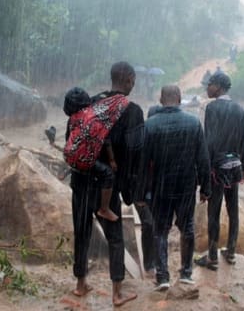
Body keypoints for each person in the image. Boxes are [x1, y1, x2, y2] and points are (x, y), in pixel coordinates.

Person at [70, 61, 142, 307]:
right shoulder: (132, 110)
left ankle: (80, 285)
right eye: (133, 80)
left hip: (81, 178)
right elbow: (134, 153)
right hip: (106, 187)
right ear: (129, 79)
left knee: (81, 233)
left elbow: (77, 133)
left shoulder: (92, 101)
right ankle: (116, 293)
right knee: (115, 238)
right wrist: (132, 190)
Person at [142, 85, 211, 290]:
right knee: (187, 227)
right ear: (180, 99)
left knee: (160, 231)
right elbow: (203, 159)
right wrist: (206, 188)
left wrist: (140, 192)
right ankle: (186, 274)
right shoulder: (193, 123)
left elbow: (143, 164)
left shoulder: (150, 125)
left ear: (161, 100)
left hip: (159, 187)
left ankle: (162, 277)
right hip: (186, 186)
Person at [195, 72, 244, 270]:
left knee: (214, 212)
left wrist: (204, 172)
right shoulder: (240, 110)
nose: (207, 88)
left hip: (217, 168)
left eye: (209, 84)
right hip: (234, 166)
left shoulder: (212, 108)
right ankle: (231, 252)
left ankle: (212, 256)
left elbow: (209, 142)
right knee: (233, 210)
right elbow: (243, 141)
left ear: (218, 86)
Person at [47, 87, 119, 222]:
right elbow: (105, 140)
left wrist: (67, 170)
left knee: (81, 230)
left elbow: (72, 149)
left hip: (78, 179)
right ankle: (105, 209)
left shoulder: (72, 120)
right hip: (94, 179)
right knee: (108, 174)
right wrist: (112, 159)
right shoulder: (93, 118)